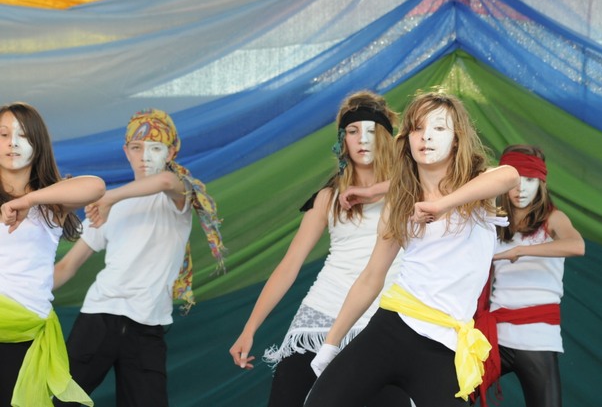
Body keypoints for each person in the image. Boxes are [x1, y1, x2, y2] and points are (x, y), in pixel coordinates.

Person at [302, 90, 520, 407]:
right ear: (407, 138)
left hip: (444, 346)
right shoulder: (401, 203)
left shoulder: (477, 189)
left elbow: (510, 175)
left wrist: (443, 205)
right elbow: (371, 277)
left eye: (439, 128)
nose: (426, 136)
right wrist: (330, 344)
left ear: (456, 139)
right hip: (392, 326)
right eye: (418, 128)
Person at [229, 90, 411, 407]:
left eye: (371, 130)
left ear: (385, 136)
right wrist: (249, 328)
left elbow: (449, 180)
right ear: (342, 140)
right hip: (322, 311)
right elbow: (289, 265)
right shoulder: (328, 197)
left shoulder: (409, 190)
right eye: (353, 131)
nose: (362, 139)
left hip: (381, 316)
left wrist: (374, 192)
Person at [53, 109, 224, 407]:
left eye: (155, 148)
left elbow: (165, 182)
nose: (144, 156)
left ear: (171, 152)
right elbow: (68, 266)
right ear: (126, 152)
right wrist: (18, 294)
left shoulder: (178, 194)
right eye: (136, 147)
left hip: (147, 327)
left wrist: (109, 197)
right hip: (98, 317)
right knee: (60, 401)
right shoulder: (109, 208)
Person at [0, 102, 106, 407]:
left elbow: (96, 187)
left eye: (23, 135)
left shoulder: (51, 203)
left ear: (38, 143)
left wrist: (28, 200)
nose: (13, 143)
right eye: (4, 134)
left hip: (25, 332)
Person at [473, 145, 585, 407]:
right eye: (514, 180)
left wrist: (521, 250)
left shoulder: (553, 219)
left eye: (530, 180)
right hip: (495, 337)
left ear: (541, 184)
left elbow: (577, 246)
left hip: (537, 338)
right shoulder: (494, 222)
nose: (521, 188)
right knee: (448, 394)